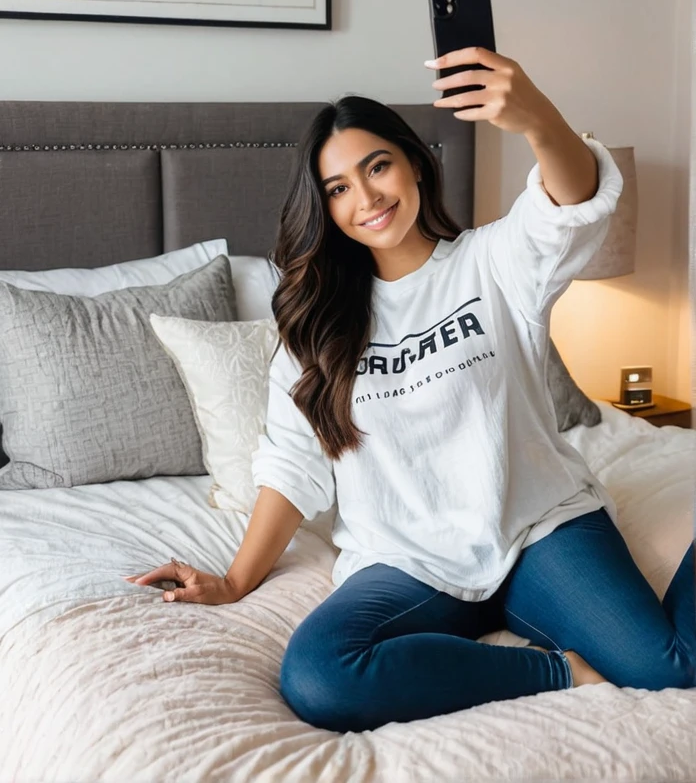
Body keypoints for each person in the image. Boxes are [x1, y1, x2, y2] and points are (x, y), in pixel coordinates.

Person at [125, 46, 696, 732]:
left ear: (414, 164)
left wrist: (537, 117)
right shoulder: (317, 325)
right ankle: (557, 671)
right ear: (325, 208)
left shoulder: (493, 262)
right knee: (320, 675)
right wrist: (236, 579)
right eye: (338, 188)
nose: (365, 199)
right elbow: (292, 462)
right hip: (409, 554)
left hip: (540, 528)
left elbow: (573, 204)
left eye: (377, 167)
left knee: (670, 668)